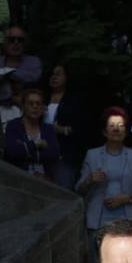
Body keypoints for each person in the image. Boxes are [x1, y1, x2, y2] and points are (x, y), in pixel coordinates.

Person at [78, 108, 132, 240]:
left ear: (126, 132)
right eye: (112, 126)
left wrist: (125, 199)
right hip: (98, 221)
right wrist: (89, 179)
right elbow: (78, 189)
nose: (116, 129)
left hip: (129, 221)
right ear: (105, 132)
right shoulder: (92, 155)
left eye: (120, 126)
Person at [2, 87, 59, 179]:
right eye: (31, 103)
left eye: (38, 103)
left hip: (44, 179)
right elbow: (11, 152)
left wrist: (24, 150)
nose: (35, 106)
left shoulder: (48, 129)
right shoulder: (13, 126)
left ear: (42, 108)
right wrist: (35, 144)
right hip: (17, 177)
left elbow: (54, 154)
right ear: (24, 106)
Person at [45, 63, 86, 191]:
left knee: (63, 191)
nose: (54, 77)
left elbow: (82, 128)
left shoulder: (74, 101)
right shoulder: (42, 99)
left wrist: (63, 130)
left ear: (67, 77)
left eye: (58, 74)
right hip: (42, 153)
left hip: (64, 155)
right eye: (52, 74)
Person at [0, 26, 42, 114]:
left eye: (20, 40)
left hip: (27, 113)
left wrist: (5, 73)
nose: (16, 43)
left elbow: (33, 77)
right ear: (4, 42)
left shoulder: (33, 62)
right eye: (11, 40)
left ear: (25, 43)